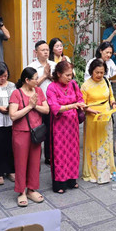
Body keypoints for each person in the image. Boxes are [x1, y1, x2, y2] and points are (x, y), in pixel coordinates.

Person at [8, 67, 49, 207]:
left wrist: (35, 105)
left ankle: (31, 189)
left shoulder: (38, 91)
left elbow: (46, 109)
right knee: (20, 163)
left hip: (36, 132)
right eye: (35, 78)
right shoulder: (16, 93)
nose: (38, 81)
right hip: (21, 133)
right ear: (26, 80)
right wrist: (29, 106)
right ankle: (21, 192)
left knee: (35, 162)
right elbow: (13, 115)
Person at [46, 60, 86, 193]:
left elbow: (80, 98)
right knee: (59, 152)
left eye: (71, 75)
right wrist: (71, 106)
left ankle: (72, 179)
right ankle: (59, 183)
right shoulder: (52, 87)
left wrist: (81, 104)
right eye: (67, 75)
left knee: (73, 151)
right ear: (58, 74)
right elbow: (54, 107)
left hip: (72, 124)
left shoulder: (73, 84)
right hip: (59, 125)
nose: (70, 78)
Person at [80, 59, 116, 184]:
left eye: (102, 72)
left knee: (105, 142)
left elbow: (111, 96)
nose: (100, 75)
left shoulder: (106, 81)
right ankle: (93, 171)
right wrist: (91, 111)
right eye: (97, 72)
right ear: (91, 71)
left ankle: (106, 169)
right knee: (93, 143)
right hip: (92, 118)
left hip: (106, 116)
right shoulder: (86, 85)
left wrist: (113, 104)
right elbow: (82, 104)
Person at [28, 41, 56, 162]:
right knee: (37, 130)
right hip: (37, 104)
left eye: (47, 50)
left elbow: (60, 81)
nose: (46, 52)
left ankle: (49, 157)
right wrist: (44, 75)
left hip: (52, 103)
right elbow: (30, 85)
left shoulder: (54, 65)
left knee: (51, 130)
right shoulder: (31, 67)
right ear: (36, 52)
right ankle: (35, 158)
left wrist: (50, 76)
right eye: (43, 50)